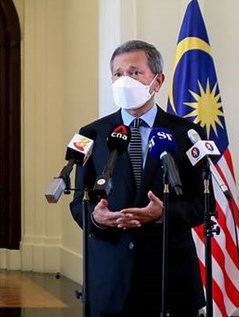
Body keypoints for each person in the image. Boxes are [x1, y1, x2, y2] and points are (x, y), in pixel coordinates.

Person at [70, 40, 206, 316]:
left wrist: (162, 213)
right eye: (118, 74)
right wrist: (96, 217)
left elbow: (204, 204)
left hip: (169, 277)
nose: (124, 81)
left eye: (134, 73)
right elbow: (77, 202)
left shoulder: (187, 133)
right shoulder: (91, 133)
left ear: (157, 82)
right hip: (110, 278)